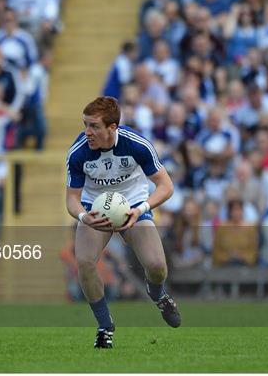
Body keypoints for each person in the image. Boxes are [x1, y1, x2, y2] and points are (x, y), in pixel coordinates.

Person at [65, 96, 180, 349]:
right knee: (84, 263)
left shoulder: (136, 144)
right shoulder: (78, 152)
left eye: (94, 126)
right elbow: (72, 200)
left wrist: (141, 210)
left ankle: (159, 296)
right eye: (85, 124)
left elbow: (166, 186)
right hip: (94, 208)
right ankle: (105, 326)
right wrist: (85, 217)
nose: (87, 132)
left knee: (157, 266)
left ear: (112, 127)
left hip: (133, 205)